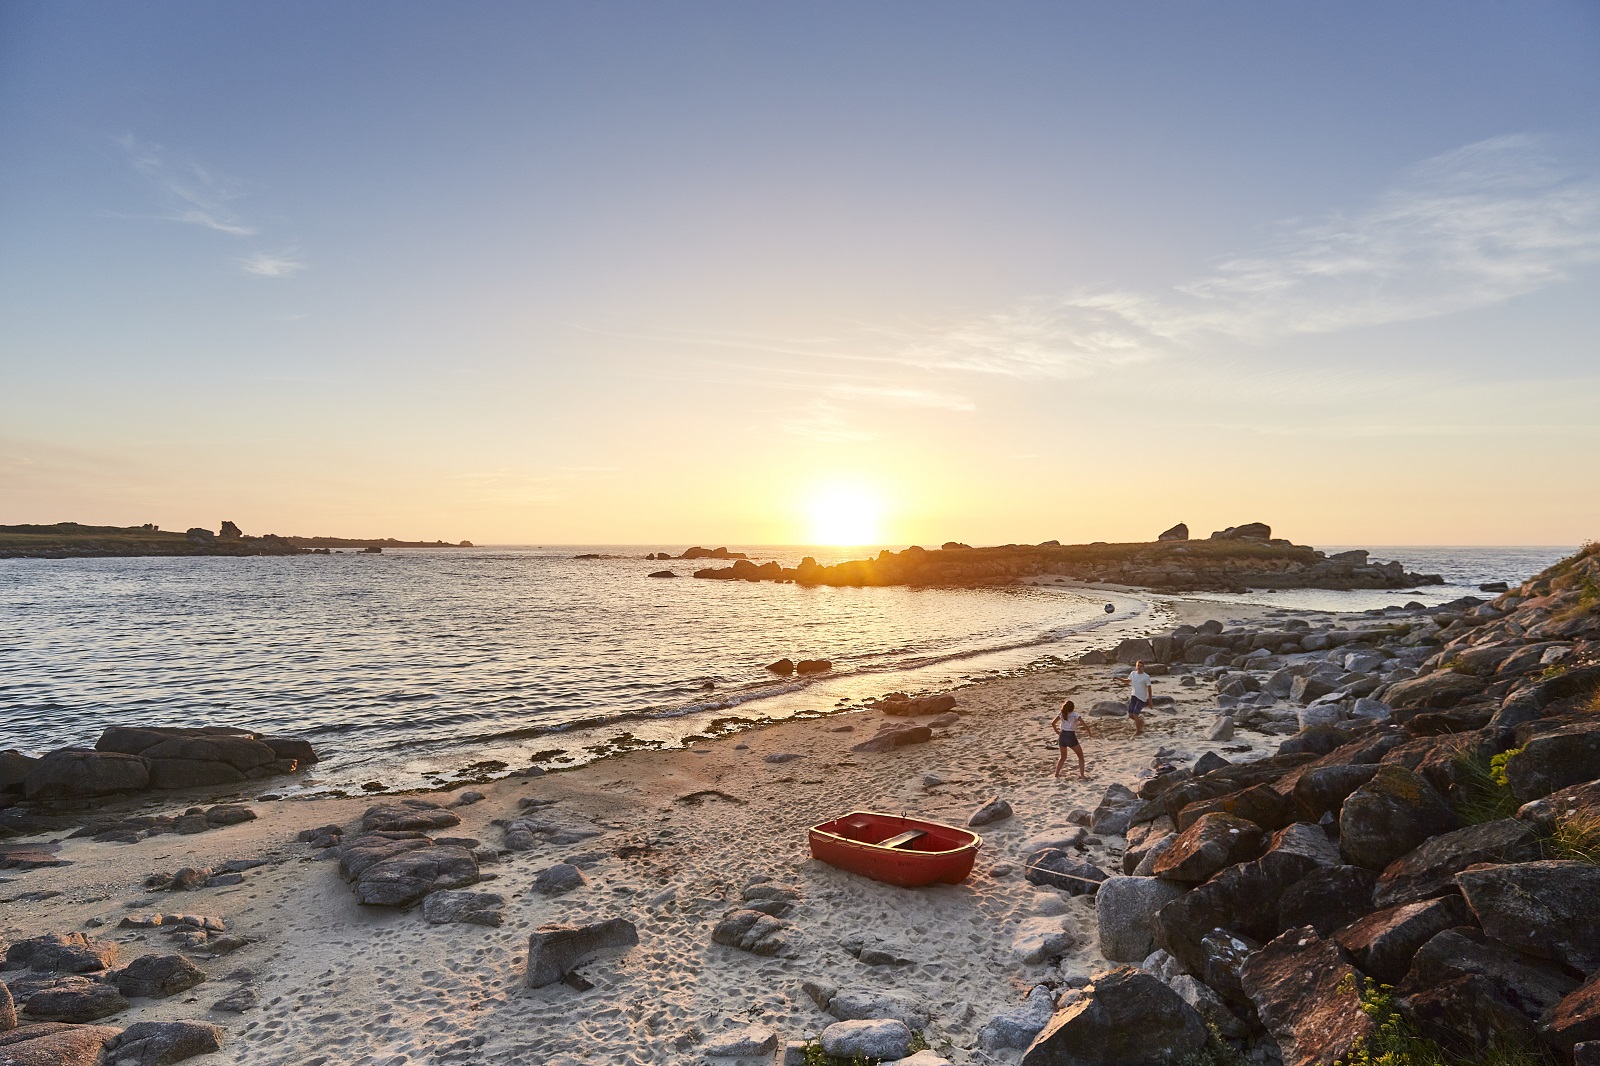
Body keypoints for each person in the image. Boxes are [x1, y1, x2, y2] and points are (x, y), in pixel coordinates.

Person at [1051, 699, 1089, 779]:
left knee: (1063, 757)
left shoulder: (1062, 714)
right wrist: (1089, 733)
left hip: (1062, 736)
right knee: (1080, 756)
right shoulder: (1075, 714)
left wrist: (1057, 732)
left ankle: (1056, 774)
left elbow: (1053, 723)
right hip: (1070, 736)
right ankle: (1082, 775)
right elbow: (1084, 725)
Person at [1121, 660, 1152, 736]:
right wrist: (1120, 679)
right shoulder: (1133, 674)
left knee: (1135, 714)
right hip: (1134, 696)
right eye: (1138, 665)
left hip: (1141, 698)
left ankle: (1138, 731)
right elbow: (1128, 681)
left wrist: (1150, 701)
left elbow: (1149, 689)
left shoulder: (1146, 677)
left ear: (1143, 667)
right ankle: (1140, 722)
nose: (1139, 667)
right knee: (1130, 715)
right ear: (1136, 666)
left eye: (1141, 666)